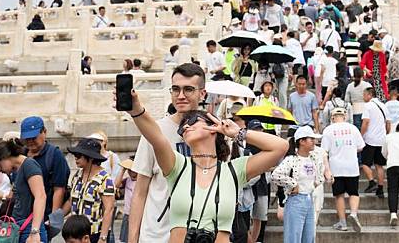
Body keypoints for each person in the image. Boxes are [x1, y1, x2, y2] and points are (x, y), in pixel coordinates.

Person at [122, 92, 288, 243]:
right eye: (183, 127)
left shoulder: (233, 171)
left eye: (193, 121)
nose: (186, 127)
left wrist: (237, 133)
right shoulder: (177, 165)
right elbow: (156, 136)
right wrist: (136, 109)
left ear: (213, 127)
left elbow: (280, 147)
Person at [129, 63, 204, 243]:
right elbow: (140, 192)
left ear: (202, 93)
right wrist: (132, 239)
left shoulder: (212, 132)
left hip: (198, 234)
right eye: (175, 89)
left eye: (188, 90)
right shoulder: (154, 131)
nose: (180, 96)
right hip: (155, 235)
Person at [0, 138, 48, 243]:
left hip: (29, 229)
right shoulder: (16, 171)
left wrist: (34, 232)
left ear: (4, 157)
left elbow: (40, 196)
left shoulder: (29, 165)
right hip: (19, 228)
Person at [272, 126, 325, 243]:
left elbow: (319, 178)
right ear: (302, 141)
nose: (314, 142)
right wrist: (293, 184)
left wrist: (313, 185)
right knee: (293, 237)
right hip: (295, 200)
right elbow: (276, 175)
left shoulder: (314, 158)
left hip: (309, 199)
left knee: (309, 237)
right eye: (311, 139)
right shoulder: (291, 159)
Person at [20, 116, 70, 232]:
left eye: (34, 137)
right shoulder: (21, 154)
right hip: (21, 217)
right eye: (27, 138)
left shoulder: (54, 155)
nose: (30, 141)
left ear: (44, 132)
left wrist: (52, 218)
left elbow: (59, 189)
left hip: (43, 217)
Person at [62, 138, 115, 243]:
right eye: (74, 156)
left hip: (95, 233)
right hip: (76, 232)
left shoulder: (105, 179)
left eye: (78, 156)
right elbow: (71, 200)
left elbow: (109, 209)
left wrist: (103, 238)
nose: (75, 159)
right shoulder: (77, 175)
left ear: (90, 158)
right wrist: (56, 218)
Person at [321, 108, 364, 232]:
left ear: (332, 118)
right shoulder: (353, 128)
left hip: (336, 167)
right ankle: (354, 214)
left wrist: (326, 170)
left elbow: (324, 151)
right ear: (345, 117)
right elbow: (361, 147)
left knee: (339, 195)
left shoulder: (328, 130)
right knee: (354, 193)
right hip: (352, 166)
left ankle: (343, 222)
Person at [360, 87, 390, 199]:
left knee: (365, 163)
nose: (363, 97)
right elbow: (388, 123)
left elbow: (365, 122)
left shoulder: (368, 106)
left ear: (369, 95)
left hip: (370, 139)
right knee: (379, 165)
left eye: (364, 94)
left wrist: (360, 135)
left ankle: (372, 182)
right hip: (381, 140)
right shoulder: (383, 106)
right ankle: (381, 189)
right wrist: (385, 134)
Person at [115, 158, 137, 243]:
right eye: (129, 170)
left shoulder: (143, 181)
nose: (131, 172)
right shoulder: (127, 180)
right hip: (127, 214)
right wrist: (122, 169)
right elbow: (116, 185)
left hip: (139, 215)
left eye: (133, 170)